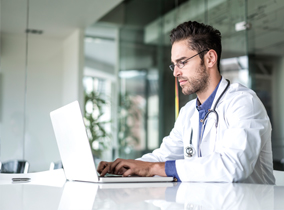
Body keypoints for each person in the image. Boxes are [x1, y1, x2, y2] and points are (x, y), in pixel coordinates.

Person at [98, 21, 275, 184]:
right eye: (173, 65)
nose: (175, 73)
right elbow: (164, 155)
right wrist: (126, 167)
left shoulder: (243, 102)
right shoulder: (189, 111)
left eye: (182, 62)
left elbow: (234, 166)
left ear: (210, 59)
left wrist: (153, 168)